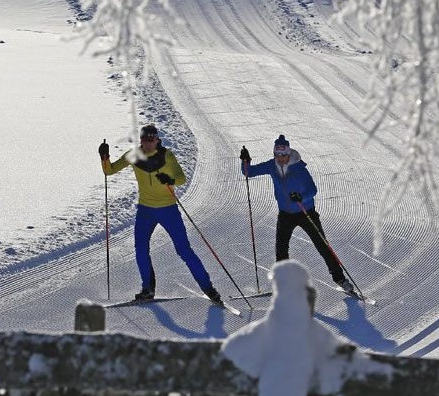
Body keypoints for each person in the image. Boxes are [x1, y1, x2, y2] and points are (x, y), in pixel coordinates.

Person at [100, 124, 222, 303]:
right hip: (145, 210)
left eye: (152, 140)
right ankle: (147, 289)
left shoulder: (166, 156)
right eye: (145, 140)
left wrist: (170, 179)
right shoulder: (133, 155)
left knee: (183, 250)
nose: (148, 143)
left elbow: (181, 178)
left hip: (168, 209)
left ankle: (209, 289)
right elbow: (109, 171)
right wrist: (104, 156)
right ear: (140, 140)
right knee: (140, 249)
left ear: (157, 140)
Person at [240, 135, 355, 294]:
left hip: (305, 212)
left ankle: (340, 279)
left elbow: (313, 189)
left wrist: (302, 197)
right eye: (277, 155)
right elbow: (249, 172)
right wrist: (245, 161)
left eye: (283, 155)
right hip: (285, 214)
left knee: (322, 245)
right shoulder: (271, 166)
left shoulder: (299, 168)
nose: (280, 159)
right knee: (281, 249)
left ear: (289, 153)